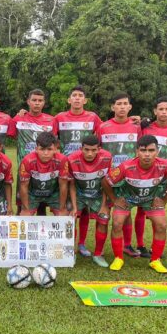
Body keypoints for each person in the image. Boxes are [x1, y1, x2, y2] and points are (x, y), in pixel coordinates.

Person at [102, 135, 167, 273]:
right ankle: (118, 258)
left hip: (151, 199)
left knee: (161, 225)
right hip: (128, 198)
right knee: (117, 223)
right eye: (143, 150)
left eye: (151, 150)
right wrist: (115, 199)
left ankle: (155, 260)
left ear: (157, 152)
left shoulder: (166, 165)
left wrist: (164, 199)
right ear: (137, 151)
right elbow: (106, 181)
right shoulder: (126, 166)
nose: (147, 154)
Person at [52, 85, 102, 255]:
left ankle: (81, 244)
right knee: (69, 208)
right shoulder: (59, 117)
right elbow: (52, 140)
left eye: (81, 95)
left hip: (88, 167)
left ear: (85, 100)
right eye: (74, 95)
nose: (77, 98)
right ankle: (67, 244)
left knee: (85, 208)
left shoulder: (93, 117)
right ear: (69, 99)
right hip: (67, 167)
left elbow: (99, 137)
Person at [135, 96, 167, 257]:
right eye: (160, 109)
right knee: (141, 210)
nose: (163, 112)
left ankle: (156, 247)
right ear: (155, 111)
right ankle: (140, 245)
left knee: (157, 209)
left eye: (166, 109)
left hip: (162, 177)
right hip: (144, 175)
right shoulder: (146, 127)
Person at [98, 92, 142, 258]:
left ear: (130, 107)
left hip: (130, 176)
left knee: (126, 209)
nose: (122, 107)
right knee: (105, 211)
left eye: (125, 104)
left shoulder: (137, 126)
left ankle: (127, 245)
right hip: (109, 177)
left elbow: (142, 149)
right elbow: (97, 150)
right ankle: (99, 249)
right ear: (112, 107)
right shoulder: (103, 127)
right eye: (119, 104)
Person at [63, 135, 113, 267]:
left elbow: (106, 184)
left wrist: (103, 206)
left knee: (104, 219)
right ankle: (70, 253)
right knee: (70, 220)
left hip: (98, 194)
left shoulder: (107, 157)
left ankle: (98, 254)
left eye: (93, 150)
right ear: (81, 149)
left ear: (99, 149)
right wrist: (74, 207)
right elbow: (72, 185)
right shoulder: (72, 159)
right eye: (86, 150)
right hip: (79, 194)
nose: (90, 153)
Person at [8, 89, 54, 215]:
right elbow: (10, 134)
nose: (37, 103)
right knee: (21, 206)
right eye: (34, 100)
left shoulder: (51, 120)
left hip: (44, 171)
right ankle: (20, 234)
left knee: (41, 208)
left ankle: (40, 234)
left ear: (44, 103)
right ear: (28, 101)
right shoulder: (18, 119)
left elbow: (53, 144)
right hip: (24, 170)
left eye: (40, 100)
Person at [19, 132, 68, 216]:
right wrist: (26, 209)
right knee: (25, 217)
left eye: (49, 149)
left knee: (63, 217)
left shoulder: (62, 160)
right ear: (36, 149)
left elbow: (63, 185)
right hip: (33, 194)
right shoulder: (27, 161)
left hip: (54, 194)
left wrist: (62, 208)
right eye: (42, 149)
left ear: (55, 149)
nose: (45, 153)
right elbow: (24, 186)